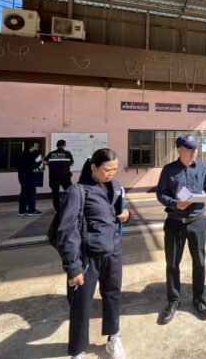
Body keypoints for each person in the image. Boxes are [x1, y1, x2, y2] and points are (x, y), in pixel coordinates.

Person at [57, 148, 131, 359]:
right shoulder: (77, 191)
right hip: (87, 257)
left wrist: (126, 215)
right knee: (81, 303)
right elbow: (66, 230)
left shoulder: (115, 187)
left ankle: (113, 337)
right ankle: (78, 350)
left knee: (113, 296)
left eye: (115, 169)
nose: (111, 173)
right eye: (107, 169)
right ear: (93, 167)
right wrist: (73, 266)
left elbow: (116, 214)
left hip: (113, 252)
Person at [156, 133, 206, 324]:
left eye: (195, 148)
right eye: (190, 148)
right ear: (179, 150)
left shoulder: (202, 168)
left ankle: (198, 299)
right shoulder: (169, 170)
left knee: (200, 263)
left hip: (197, 222)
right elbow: (161, 194)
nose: (194, 151)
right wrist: (175, 204)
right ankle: (173, 300)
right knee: (173, 264)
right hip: (175, 222)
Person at [44, 139, 75, 213]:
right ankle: (69, 207)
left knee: (55, 194)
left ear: (57, 145)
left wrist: (50, 164)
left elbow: (44, 161)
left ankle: (57, 210)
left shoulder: (51, 153)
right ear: (64, 145)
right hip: (65, 176)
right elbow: (72, 163)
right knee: (69, 192)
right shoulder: (67, 153)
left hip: (54, 177)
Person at [17, 141, 42, 216]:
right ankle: (31, 211)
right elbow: (31, 166)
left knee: (24, 193)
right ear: (31, 147)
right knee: (31, 193)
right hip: (29, 177)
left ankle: (22, 211)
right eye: (35, 146)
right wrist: (40, 162)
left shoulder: (23, 154)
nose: (36, 147)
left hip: (22, 177)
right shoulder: (27, 155)